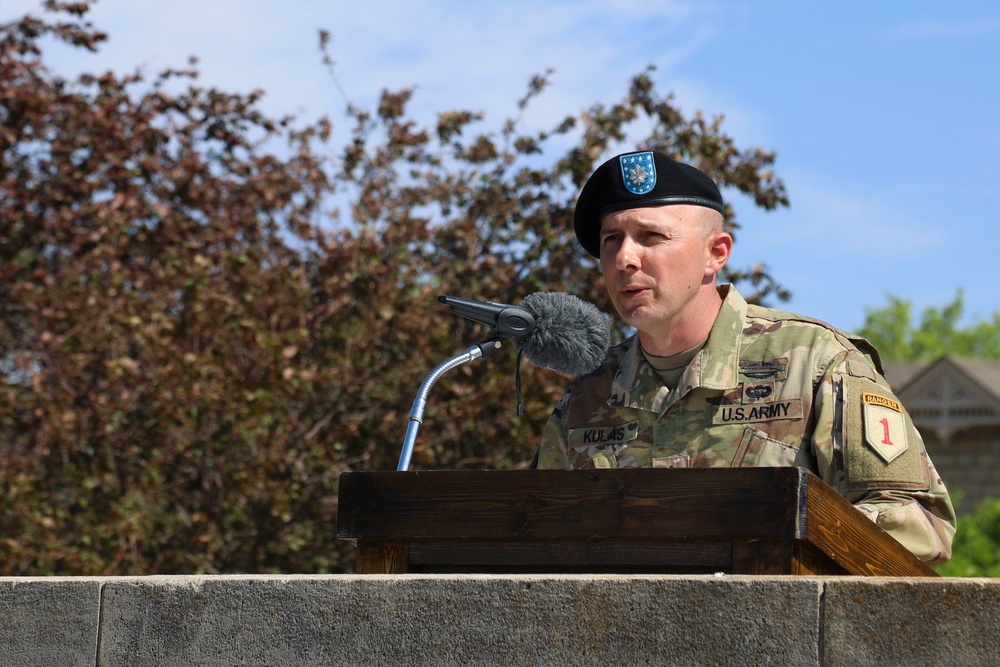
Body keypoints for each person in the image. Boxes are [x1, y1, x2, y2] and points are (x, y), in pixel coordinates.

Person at [532, 149, 956, 565]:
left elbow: (917, 522)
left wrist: (778, 542)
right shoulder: (589, 395)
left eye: (651, 236)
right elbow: (529, 526)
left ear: (715, 253)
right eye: (611, 240)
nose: (624, 257)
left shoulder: (816, 363)